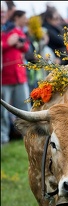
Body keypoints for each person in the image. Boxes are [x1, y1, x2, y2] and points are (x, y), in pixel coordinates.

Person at [1, 10, 31, 144]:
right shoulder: (5, 31)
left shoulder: (16, 30)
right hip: (5, 77)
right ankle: (3, 139)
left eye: (3, 12)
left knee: (24, 108)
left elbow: (26, 46)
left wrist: (21, 45)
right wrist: (8, 43)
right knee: (2, 111)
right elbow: (5, 44)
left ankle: (28, 135)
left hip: (19, 76)